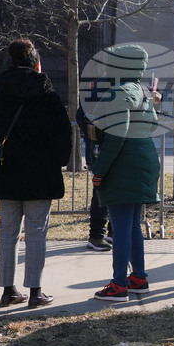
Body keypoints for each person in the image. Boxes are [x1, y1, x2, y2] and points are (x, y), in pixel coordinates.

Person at [0, 38, 71, 308]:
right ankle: (35, 292)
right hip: (40, 172)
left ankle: (8, 291)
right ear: (36, 62)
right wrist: (60, 161)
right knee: (37, 231)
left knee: (7, 232)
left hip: (5, 170)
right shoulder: (47, 92)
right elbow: (62, 134)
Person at [90, 45, 161, 302]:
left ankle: (119, 284)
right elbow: (153, 124)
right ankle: (138, 278)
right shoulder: (142, 91)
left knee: (120, 228)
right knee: (132, 226)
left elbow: (116, 137)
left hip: (123, 166)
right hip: (144, 161)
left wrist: (99, 171)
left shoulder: (118, 93)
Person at [76, 82, 112, 251]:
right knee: (100, 193)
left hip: (104, 150)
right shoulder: (103, 88)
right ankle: (97, 235)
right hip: (101, 151)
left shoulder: (124, 86)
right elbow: (81, 115)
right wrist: (95, 132)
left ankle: (112, 232)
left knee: (110, 192)